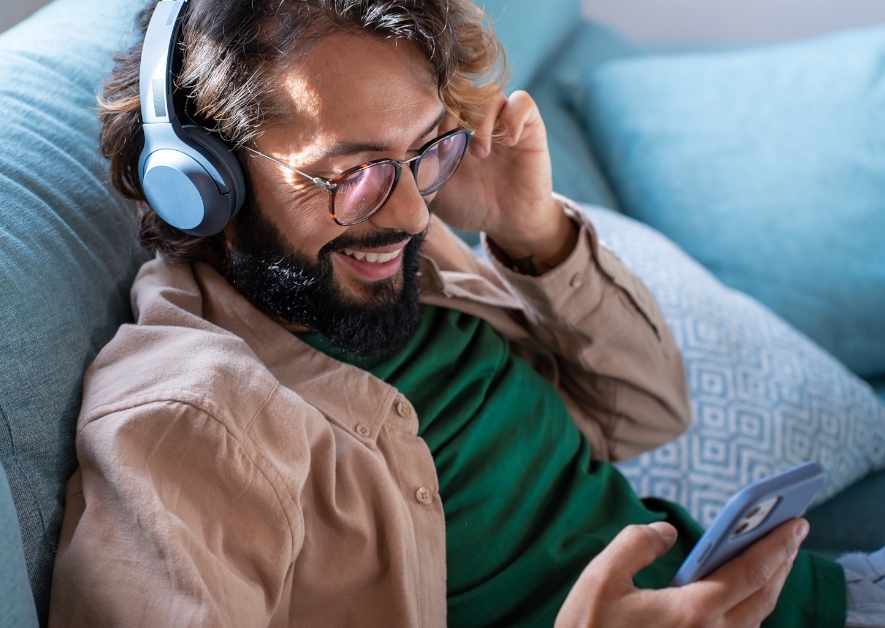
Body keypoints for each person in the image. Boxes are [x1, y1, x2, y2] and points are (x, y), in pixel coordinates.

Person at [48, 0, 874, 625]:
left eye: (423, 150)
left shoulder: (406, 254)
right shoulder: (186, 421)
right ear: (198, 184)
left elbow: (653, 413)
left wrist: (532, 231)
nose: (407, 212)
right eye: (352, 173)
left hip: (819, 594)